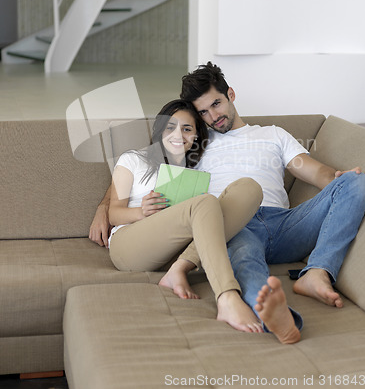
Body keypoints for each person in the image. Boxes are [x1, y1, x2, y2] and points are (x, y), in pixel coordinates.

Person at [179, 62, 365, 344]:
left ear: (231, 94)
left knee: (358, 181)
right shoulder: (194, 143)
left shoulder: (273, 134)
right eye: (203, 112)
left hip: (285, 225)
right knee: (244, 259)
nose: (213, 116)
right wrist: (103, 207)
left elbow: (317, 172)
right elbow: (141, 166)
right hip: (235, 225)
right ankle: (281, 318)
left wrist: (343, 181)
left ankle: (317, 272)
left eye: (216, 104)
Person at [102, 98, 263, 333]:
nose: (179, 134)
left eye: (187, 129)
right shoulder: (133, 160)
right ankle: (227, 296)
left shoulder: (196, 173)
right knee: (205, 202)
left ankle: (179, 269)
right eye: (171, 127)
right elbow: (114, 214)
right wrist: (141, 211)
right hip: (130, 245)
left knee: (249, 187)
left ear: (196, 136)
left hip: (178, 249)